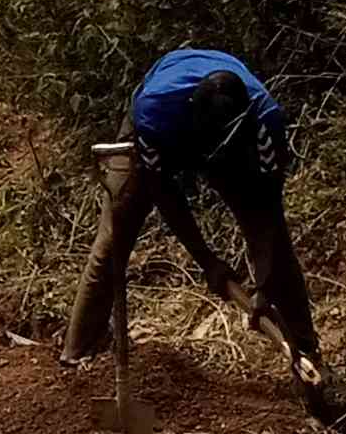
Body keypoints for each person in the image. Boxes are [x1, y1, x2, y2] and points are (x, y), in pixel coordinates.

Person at [63, 40, 328, 394]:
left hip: (231, 140)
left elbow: (268, 211)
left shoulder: (264, 122)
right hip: (167, 133)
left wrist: (265, 283)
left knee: (278, 255)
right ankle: (77, 354)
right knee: (115, 237)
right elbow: (164, 195)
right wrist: (208, 262)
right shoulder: (155, 112)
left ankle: (307, 357)